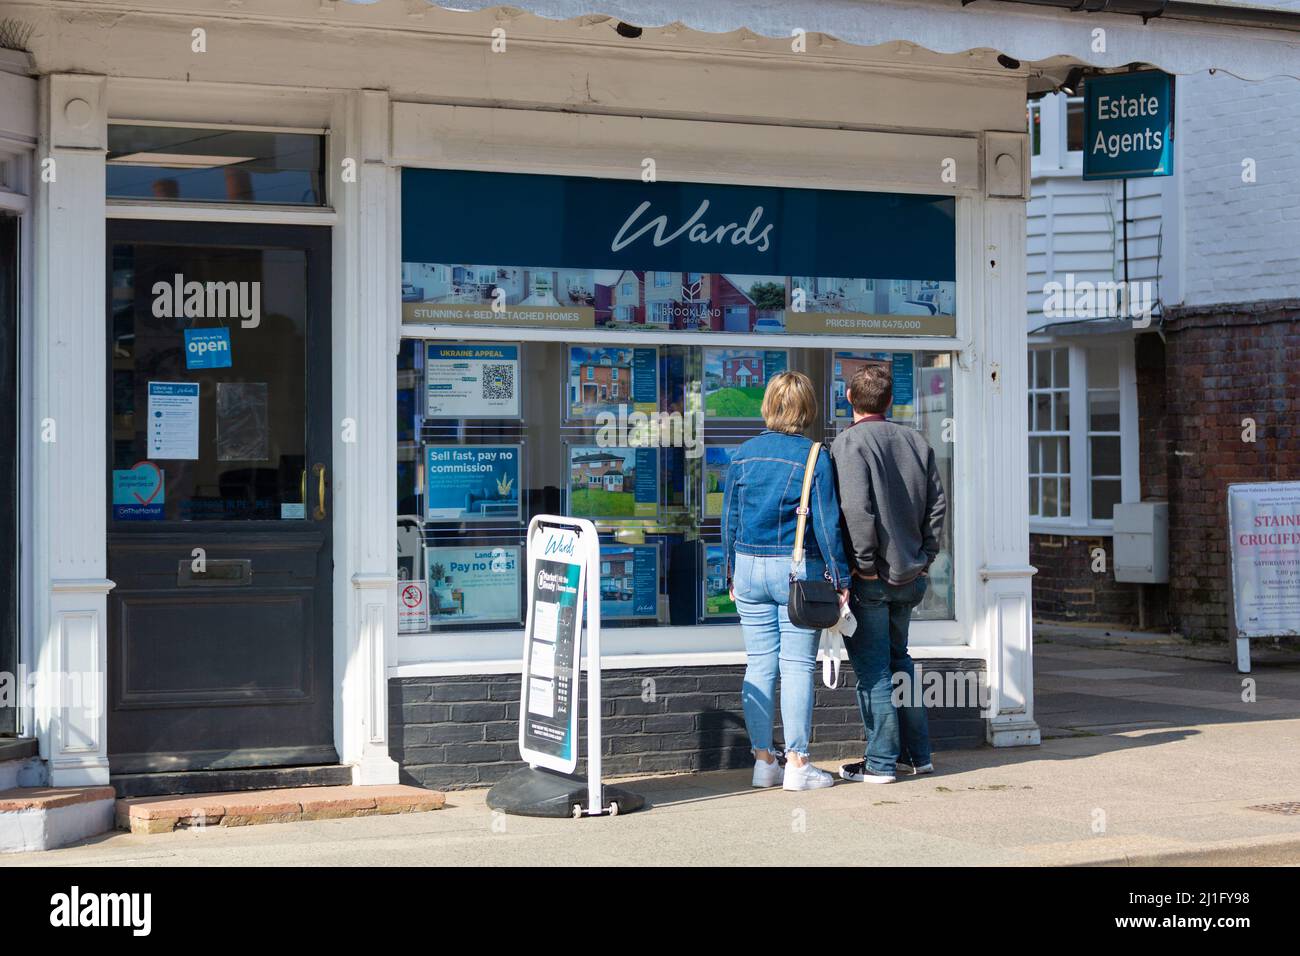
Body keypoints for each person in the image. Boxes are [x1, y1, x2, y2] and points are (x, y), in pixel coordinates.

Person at [722, 371, 851, 791]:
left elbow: (729, 522)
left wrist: (729, 571)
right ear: (808, 408)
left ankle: (763, 763)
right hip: (796, 570)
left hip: (747, 566)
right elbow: (827, 525)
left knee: (759, 665)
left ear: (769, 405)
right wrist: (841, 577)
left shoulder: (742, 454)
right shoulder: (815, 456)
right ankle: (797, 764)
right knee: (795, 666)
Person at [831, 362, 947, 784]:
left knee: (875, 671)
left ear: (848, 399)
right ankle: (919, 756)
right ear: (890, 400)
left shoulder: (848, 443)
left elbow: (856, 511)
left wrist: (862, 568)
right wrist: (926, 555)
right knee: (901, 663)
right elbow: (938, 505)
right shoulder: (916, 441)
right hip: (909, 575)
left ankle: (880, 764)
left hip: (873, 579)